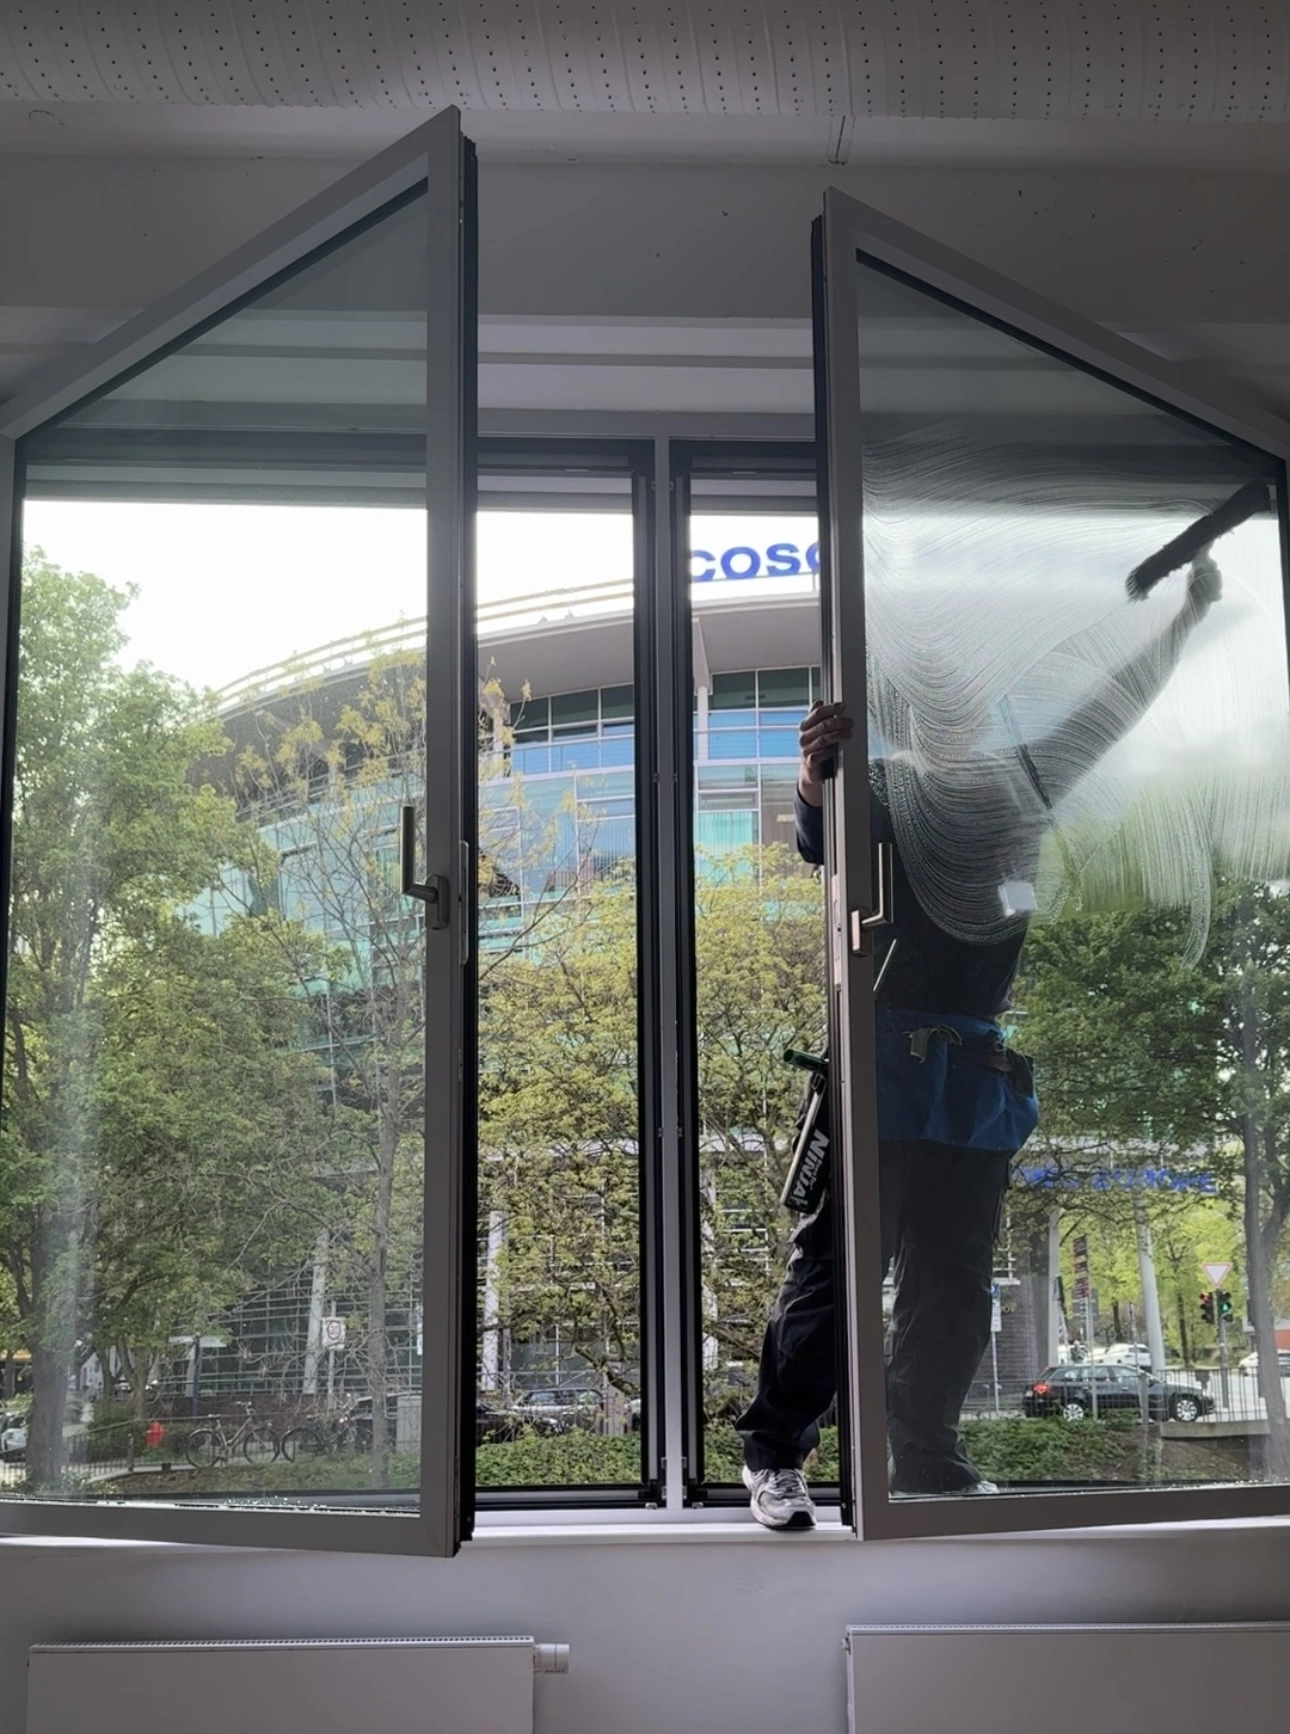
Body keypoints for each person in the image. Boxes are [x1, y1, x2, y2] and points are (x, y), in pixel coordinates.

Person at [738, 550, 1223, 1529]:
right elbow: (818, 840)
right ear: (915, 720)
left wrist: (1180, 626)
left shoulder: (1018, 784)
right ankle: (775, 1451)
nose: (951, 717)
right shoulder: (875, 788)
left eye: (964, 702)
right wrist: (808, 772)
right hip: (877, 1069)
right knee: (835, 1269)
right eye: (936, 705)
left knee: (953, 1283)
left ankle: (924, 1454)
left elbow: (1109, 707)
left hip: (971, 1080)